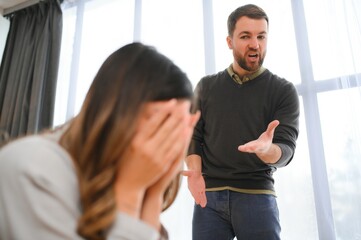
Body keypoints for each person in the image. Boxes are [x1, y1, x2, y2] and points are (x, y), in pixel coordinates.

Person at [0, 42, 200, 240]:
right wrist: (130, 193)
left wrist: (153, 196)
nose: (168, 140)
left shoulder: (119, 177)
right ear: (115, 111)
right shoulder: (30, 168)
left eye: (177, 128)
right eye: (160, 123)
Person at [182, 4, 300, 240]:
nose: (255, 44)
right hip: (209, 199)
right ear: (229, 41)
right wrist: (195, 172)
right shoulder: (206, 87)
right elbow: (192, 136)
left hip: (257, 195)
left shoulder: (283, 91)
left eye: (261, 36)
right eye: (245, 36)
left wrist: (268, 150)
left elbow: (286, 150)